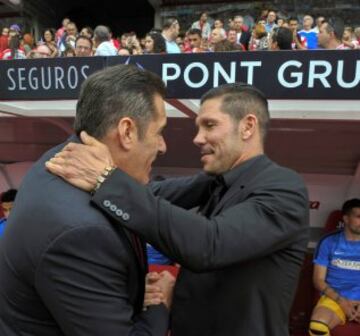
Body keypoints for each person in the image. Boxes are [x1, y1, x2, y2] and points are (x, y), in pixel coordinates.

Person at [47, 82, 309, 336]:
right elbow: (149, 196)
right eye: (198, 127)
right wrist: (101, 177)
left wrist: (105, 179)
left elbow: (208, 244)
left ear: (248, 126)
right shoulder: (215, 180)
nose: (197, 138)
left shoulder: (284, 190)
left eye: (210, 125)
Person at [0, 64, 175, 335]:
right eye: (159, 131)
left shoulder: (60, 156)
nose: (163, 146)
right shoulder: (82, 233)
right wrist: (161, 303)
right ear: (127, 132)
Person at [309, 198, 360, 336]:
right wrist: (342, 302)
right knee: (317, 326)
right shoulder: (328, 242)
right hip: (335, 298)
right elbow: (318, 280)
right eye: (359, 217)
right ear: (346, 219)